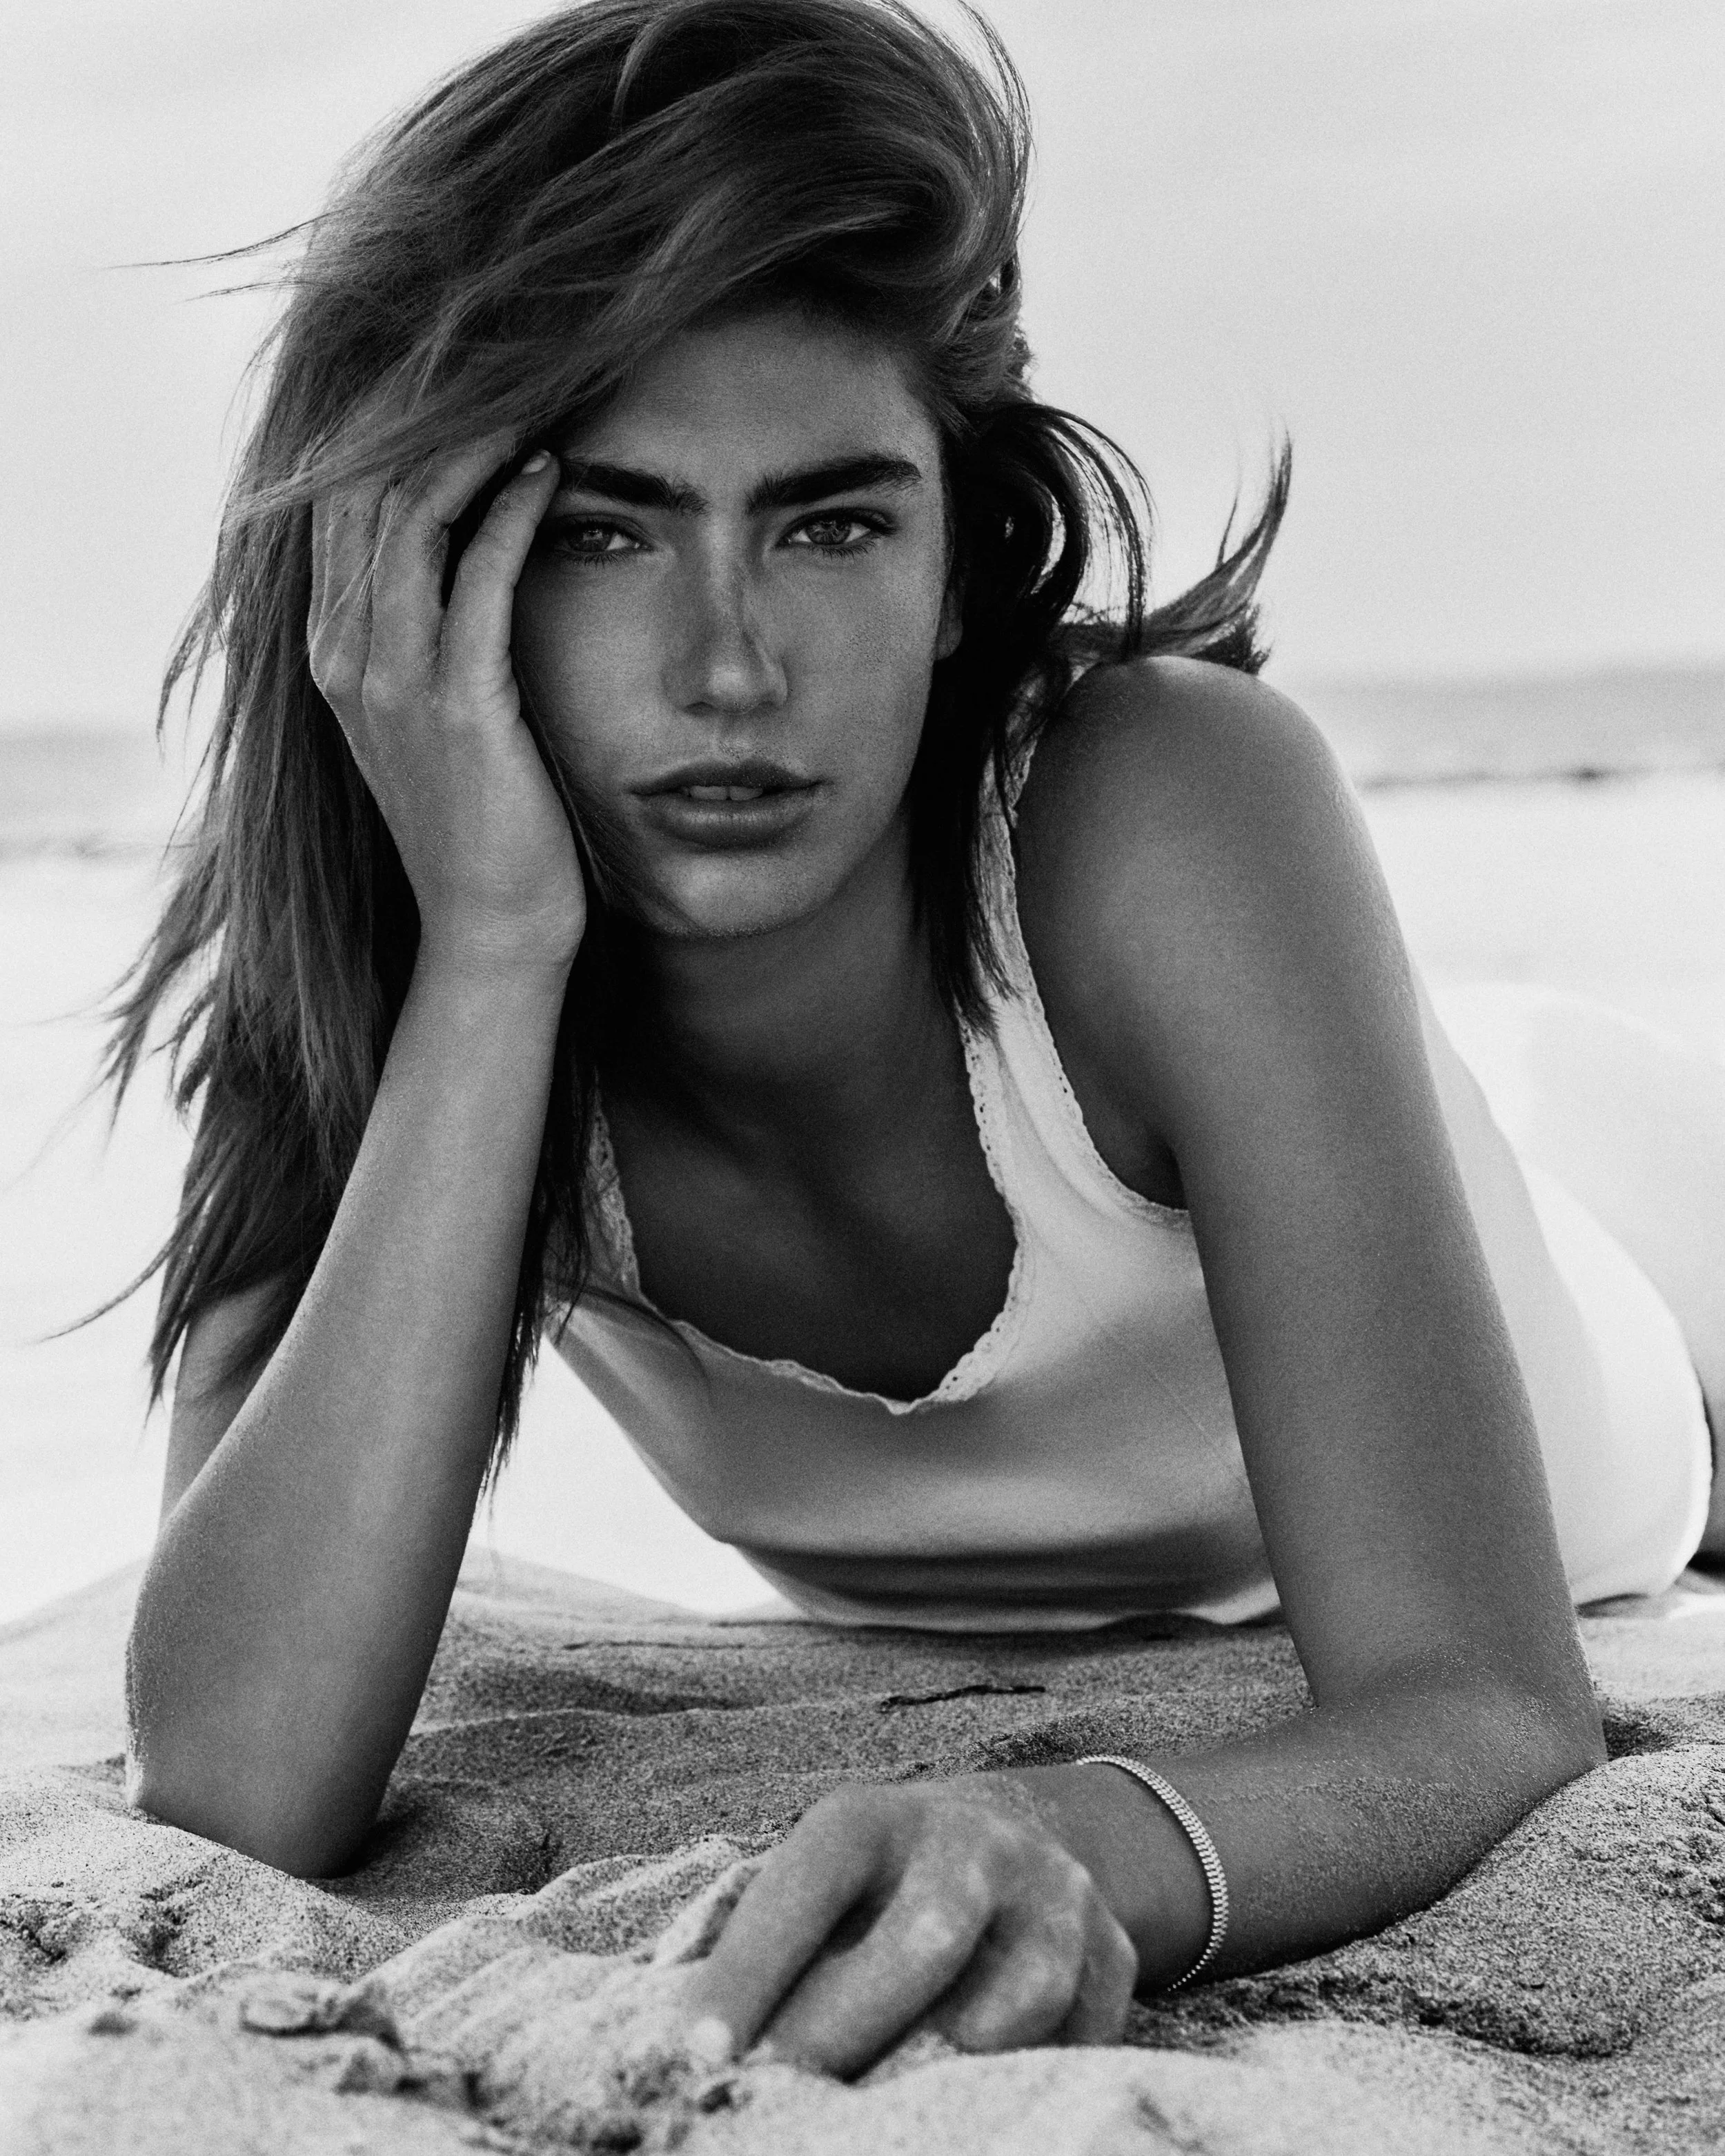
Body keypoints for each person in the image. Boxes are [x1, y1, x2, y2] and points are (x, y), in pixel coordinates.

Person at [110, 0, 1723, 2079]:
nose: (728, 668)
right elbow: (237, 1775)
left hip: (1636, 1271)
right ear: (412, 577)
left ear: (962, 561)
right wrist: (497, 952)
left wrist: (1084, 1845)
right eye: (601, 531)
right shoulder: (379, 950)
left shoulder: (1168, 813)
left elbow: (1485, 1705)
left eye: (832, 523)